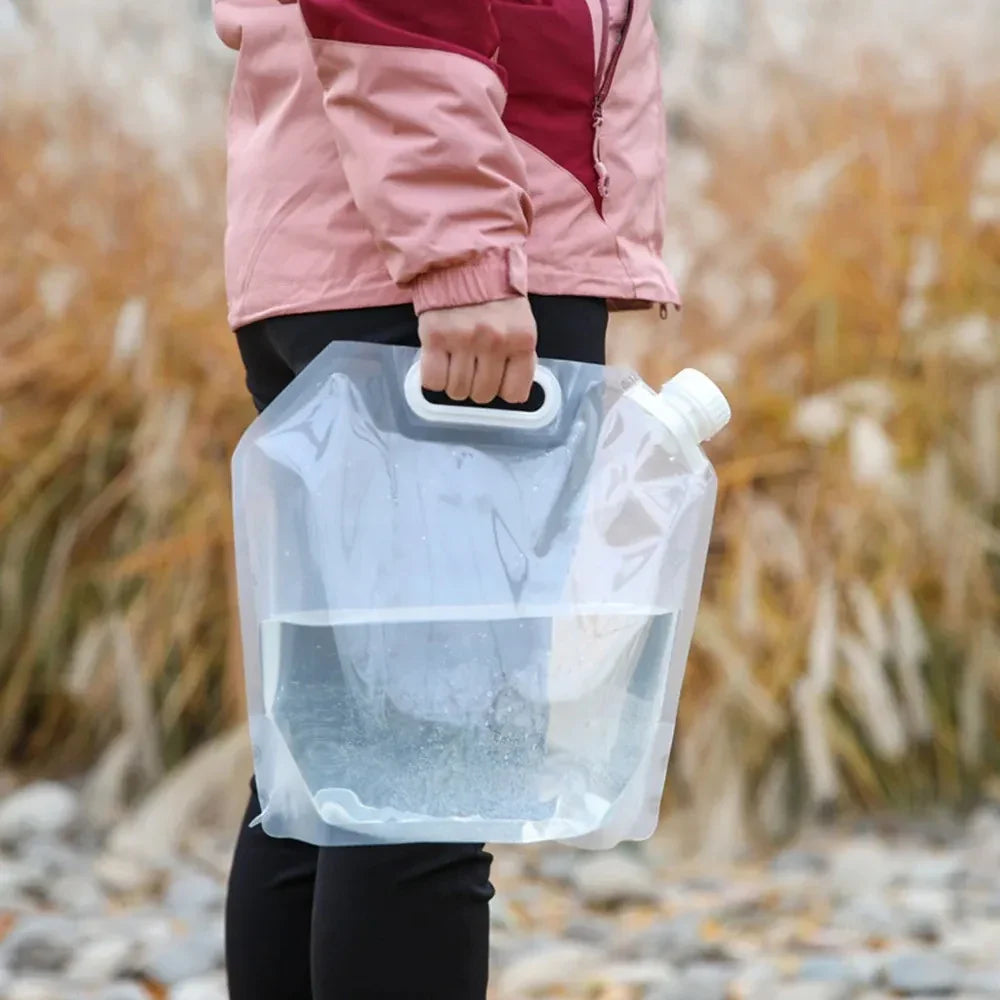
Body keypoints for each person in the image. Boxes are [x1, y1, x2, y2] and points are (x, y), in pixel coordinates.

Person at [215, 1, 680, 996]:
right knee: (432, 767)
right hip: (442, 249)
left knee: (327, 769)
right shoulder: (459, 254)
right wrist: (463, 251)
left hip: (348, 238)